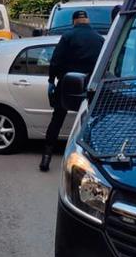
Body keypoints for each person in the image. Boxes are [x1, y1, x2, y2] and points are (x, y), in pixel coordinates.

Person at [40, 10, 105, 172]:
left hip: (67, 83)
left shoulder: (68, 37)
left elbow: (55, 61)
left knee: (57, 120)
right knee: (89, 121)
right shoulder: (99, 39)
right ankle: (90, 162)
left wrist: (51, 80)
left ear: (74, 21)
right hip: (89, 86)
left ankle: (46, 158)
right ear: (87, 20)